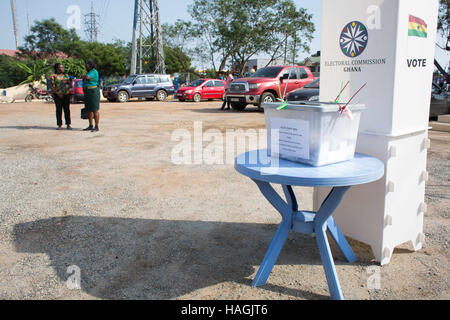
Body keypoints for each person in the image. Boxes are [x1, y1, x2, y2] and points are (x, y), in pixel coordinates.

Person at [49, 63, 72, 130]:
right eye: (60, 67)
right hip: (57, 95)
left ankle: (68, 124)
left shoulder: (66, 76)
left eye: (62, 67)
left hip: (66, 94)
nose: (62, 68)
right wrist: (57, 93)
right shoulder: (53, 76)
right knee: (59, 110)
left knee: (67, 110)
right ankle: (59, 124)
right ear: (57, 68)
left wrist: (68, 84)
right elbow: (51, 86)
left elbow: (70, 85)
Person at [81, 60, 100, 132]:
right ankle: (90, 125)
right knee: (88, 109)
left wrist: (83, 76)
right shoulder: (88, 72)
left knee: (95, 109)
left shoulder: (94, 71)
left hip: (93, 91)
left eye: (87, 65)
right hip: (87, 91)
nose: (85, 66)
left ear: (90, 65)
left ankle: (96, 126)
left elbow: (87, 77)